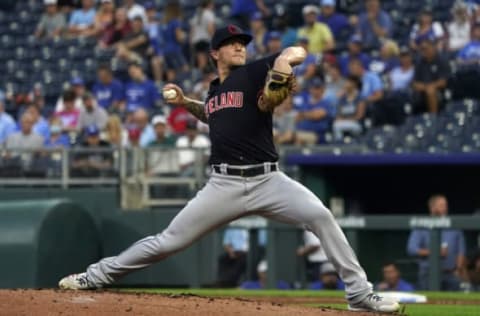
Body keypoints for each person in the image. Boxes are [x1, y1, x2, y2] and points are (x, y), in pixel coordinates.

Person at [58, 24, 400, 313]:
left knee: (321, 216)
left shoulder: (253, 73)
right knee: (168, 241)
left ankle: (359, 294)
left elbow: (296, 52)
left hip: (269, 179)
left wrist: (282, 63)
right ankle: (96, 275)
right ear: (214, 54)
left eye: (242, 43)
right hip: (223, 185)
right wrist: (184, 102)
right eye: (230, 44)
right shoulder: (214, 91)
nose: (239, 47)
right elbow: (213, 115)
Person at [407, 194, 466, 291]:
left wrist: (458, 269)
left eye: (446, 205)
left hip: (451, 274)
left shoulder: (454, 227)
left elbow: (461, 251)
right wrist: (435, 252)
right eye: (442, 205)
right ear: (432, 207)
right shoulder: (421, 226)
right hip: (428, 274)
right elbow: (412, 249)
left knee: (454, 302)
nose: (446, 208)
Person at [412, 37, 450, 114]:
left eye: (425, 48)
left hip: (440, 91)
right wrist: (426, 87)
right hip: (423, 91)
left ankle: (433, 119)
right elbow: (415, 83)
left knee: (431, 91)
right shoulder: (420, 63)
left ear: (432, 47)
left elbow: (444, 81)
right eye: (422, 49)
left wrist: (431, 87)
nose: (423, 51)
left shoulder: (441, 60)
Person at [293, 77, 336, 145]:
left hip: (318, 135)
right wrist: (310, 114)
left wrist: (304, 115)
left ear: (322, 90)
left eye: (317, 88)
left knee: (296, 137)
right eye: (313, 88)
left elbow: (317, 116)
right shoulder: (306, 104)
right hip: (301, 131)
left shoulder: (326, 103)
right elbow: (297, 119)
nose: (315, 90)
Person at [333, 75, 366, 141]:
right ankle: (339, 143)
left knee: (338, 126)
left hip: (356, 123)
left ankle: (356, 142)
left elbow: (360, 115)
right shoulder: (343, 99)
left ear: (354, 84)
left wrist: (347, 120)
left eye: (348, 82)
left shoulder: (360, 97)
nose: (345, 84)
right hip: (344, 122)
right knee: (336, 124)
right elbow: (338, 114)